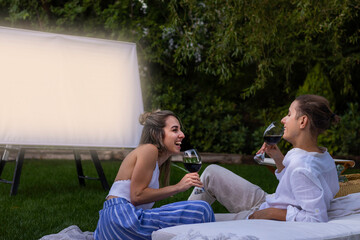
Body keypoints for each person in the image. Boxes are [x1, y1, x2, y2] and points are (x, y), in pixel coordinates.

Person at [189, 94, 340, 222]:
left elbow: (316, 218)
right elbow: (296, 186)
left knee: (201, 220)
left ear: (302, 121)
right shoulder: (321, 156)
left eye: (289, 114)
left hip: (265, 214)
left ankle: (178, 222)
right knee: (211, 173)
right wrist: (277, 157)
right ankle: (181, 215)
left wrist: (271, 213)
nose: (283, 119)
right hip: (268, 201)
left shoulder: (302, 167)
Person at [94, 110, 215, 240]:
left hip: (110, 226)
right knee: (201, 209)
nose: (182, 135)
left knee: (195, 216)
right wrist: (178, 187)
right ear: (156, 134)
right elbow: (137, 196)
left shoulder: (156, 160)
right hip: (121, 220)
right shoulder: (148, 149)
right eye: (175, 130)